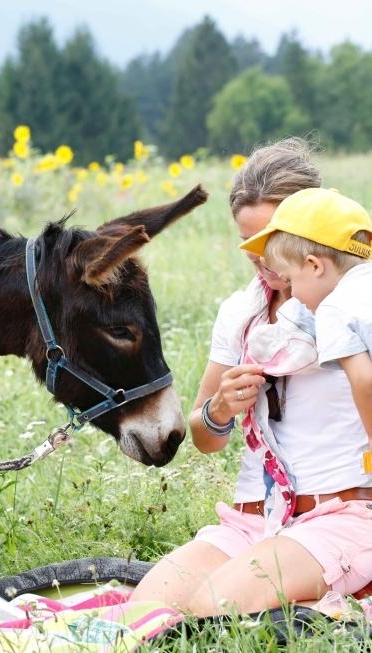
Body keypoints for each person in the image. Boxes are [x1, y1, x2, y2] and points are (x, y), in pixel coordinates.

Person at [130, 138, 372, 616]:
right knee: (147, 612)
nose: (267, 262)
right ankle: (317, 603)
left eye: (275, 244)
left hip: (339, 513)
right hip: (255, 520)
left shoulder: (353, 303)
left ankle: (338, 603)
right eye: (253, 249)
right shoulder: (242, 312)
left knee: (213, 611)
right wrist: (221, 407)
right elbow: (204, 436)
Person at [241, 188, 372, 465]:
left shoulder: (334, 308)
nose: (295, 294)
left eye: (291, 279)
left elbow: (365, 381)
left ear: (314, 266)